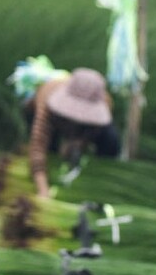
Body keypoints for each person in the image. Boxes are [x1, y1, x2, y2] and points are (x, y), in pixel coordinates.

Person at [24, 67, 120, 198]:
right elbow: (38, 145)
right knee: (51, 149)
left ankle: (100, 178)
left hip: (82, 129)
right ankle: (49, 172)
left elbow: (93, 130)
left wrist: (78, 144)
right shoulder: (47, 100)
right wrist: (43, 190)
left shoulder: (105, 102)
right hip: (53, 118)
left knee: (110, 138)